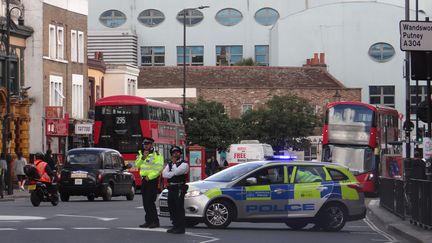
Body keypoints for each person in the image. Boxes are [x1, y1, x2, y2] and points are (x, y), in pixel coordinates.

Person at [135, 137, 164, 228]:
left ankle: (155, 221)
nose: (146, 146)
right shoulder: (141, 153)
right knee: (145, 202)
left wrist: (150, 176)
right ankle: (148, 221)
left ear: (151, 145)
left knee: (150, 202)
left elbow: (158, 168)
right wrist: (143, 157)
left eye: (147, 144)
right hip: (144, 180)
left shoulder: (157, 154)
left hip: (152, 180)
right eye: (144, 144)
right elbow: (137, 164)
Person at [162, 146, 189, 234]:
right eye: (173, 153)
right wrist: (172, 172)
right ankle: (175, 225)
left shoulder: (184, 164)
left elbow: (177, 172)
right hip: (171, 187)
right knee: (172, 207)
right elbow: (164, 174)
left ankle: (181, 227)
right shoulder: (169, 164)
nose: (175, 154)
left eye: (177, 152)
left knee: (179, 207)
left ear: (180, 153)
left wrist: (173, 167)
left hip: (179, 187)